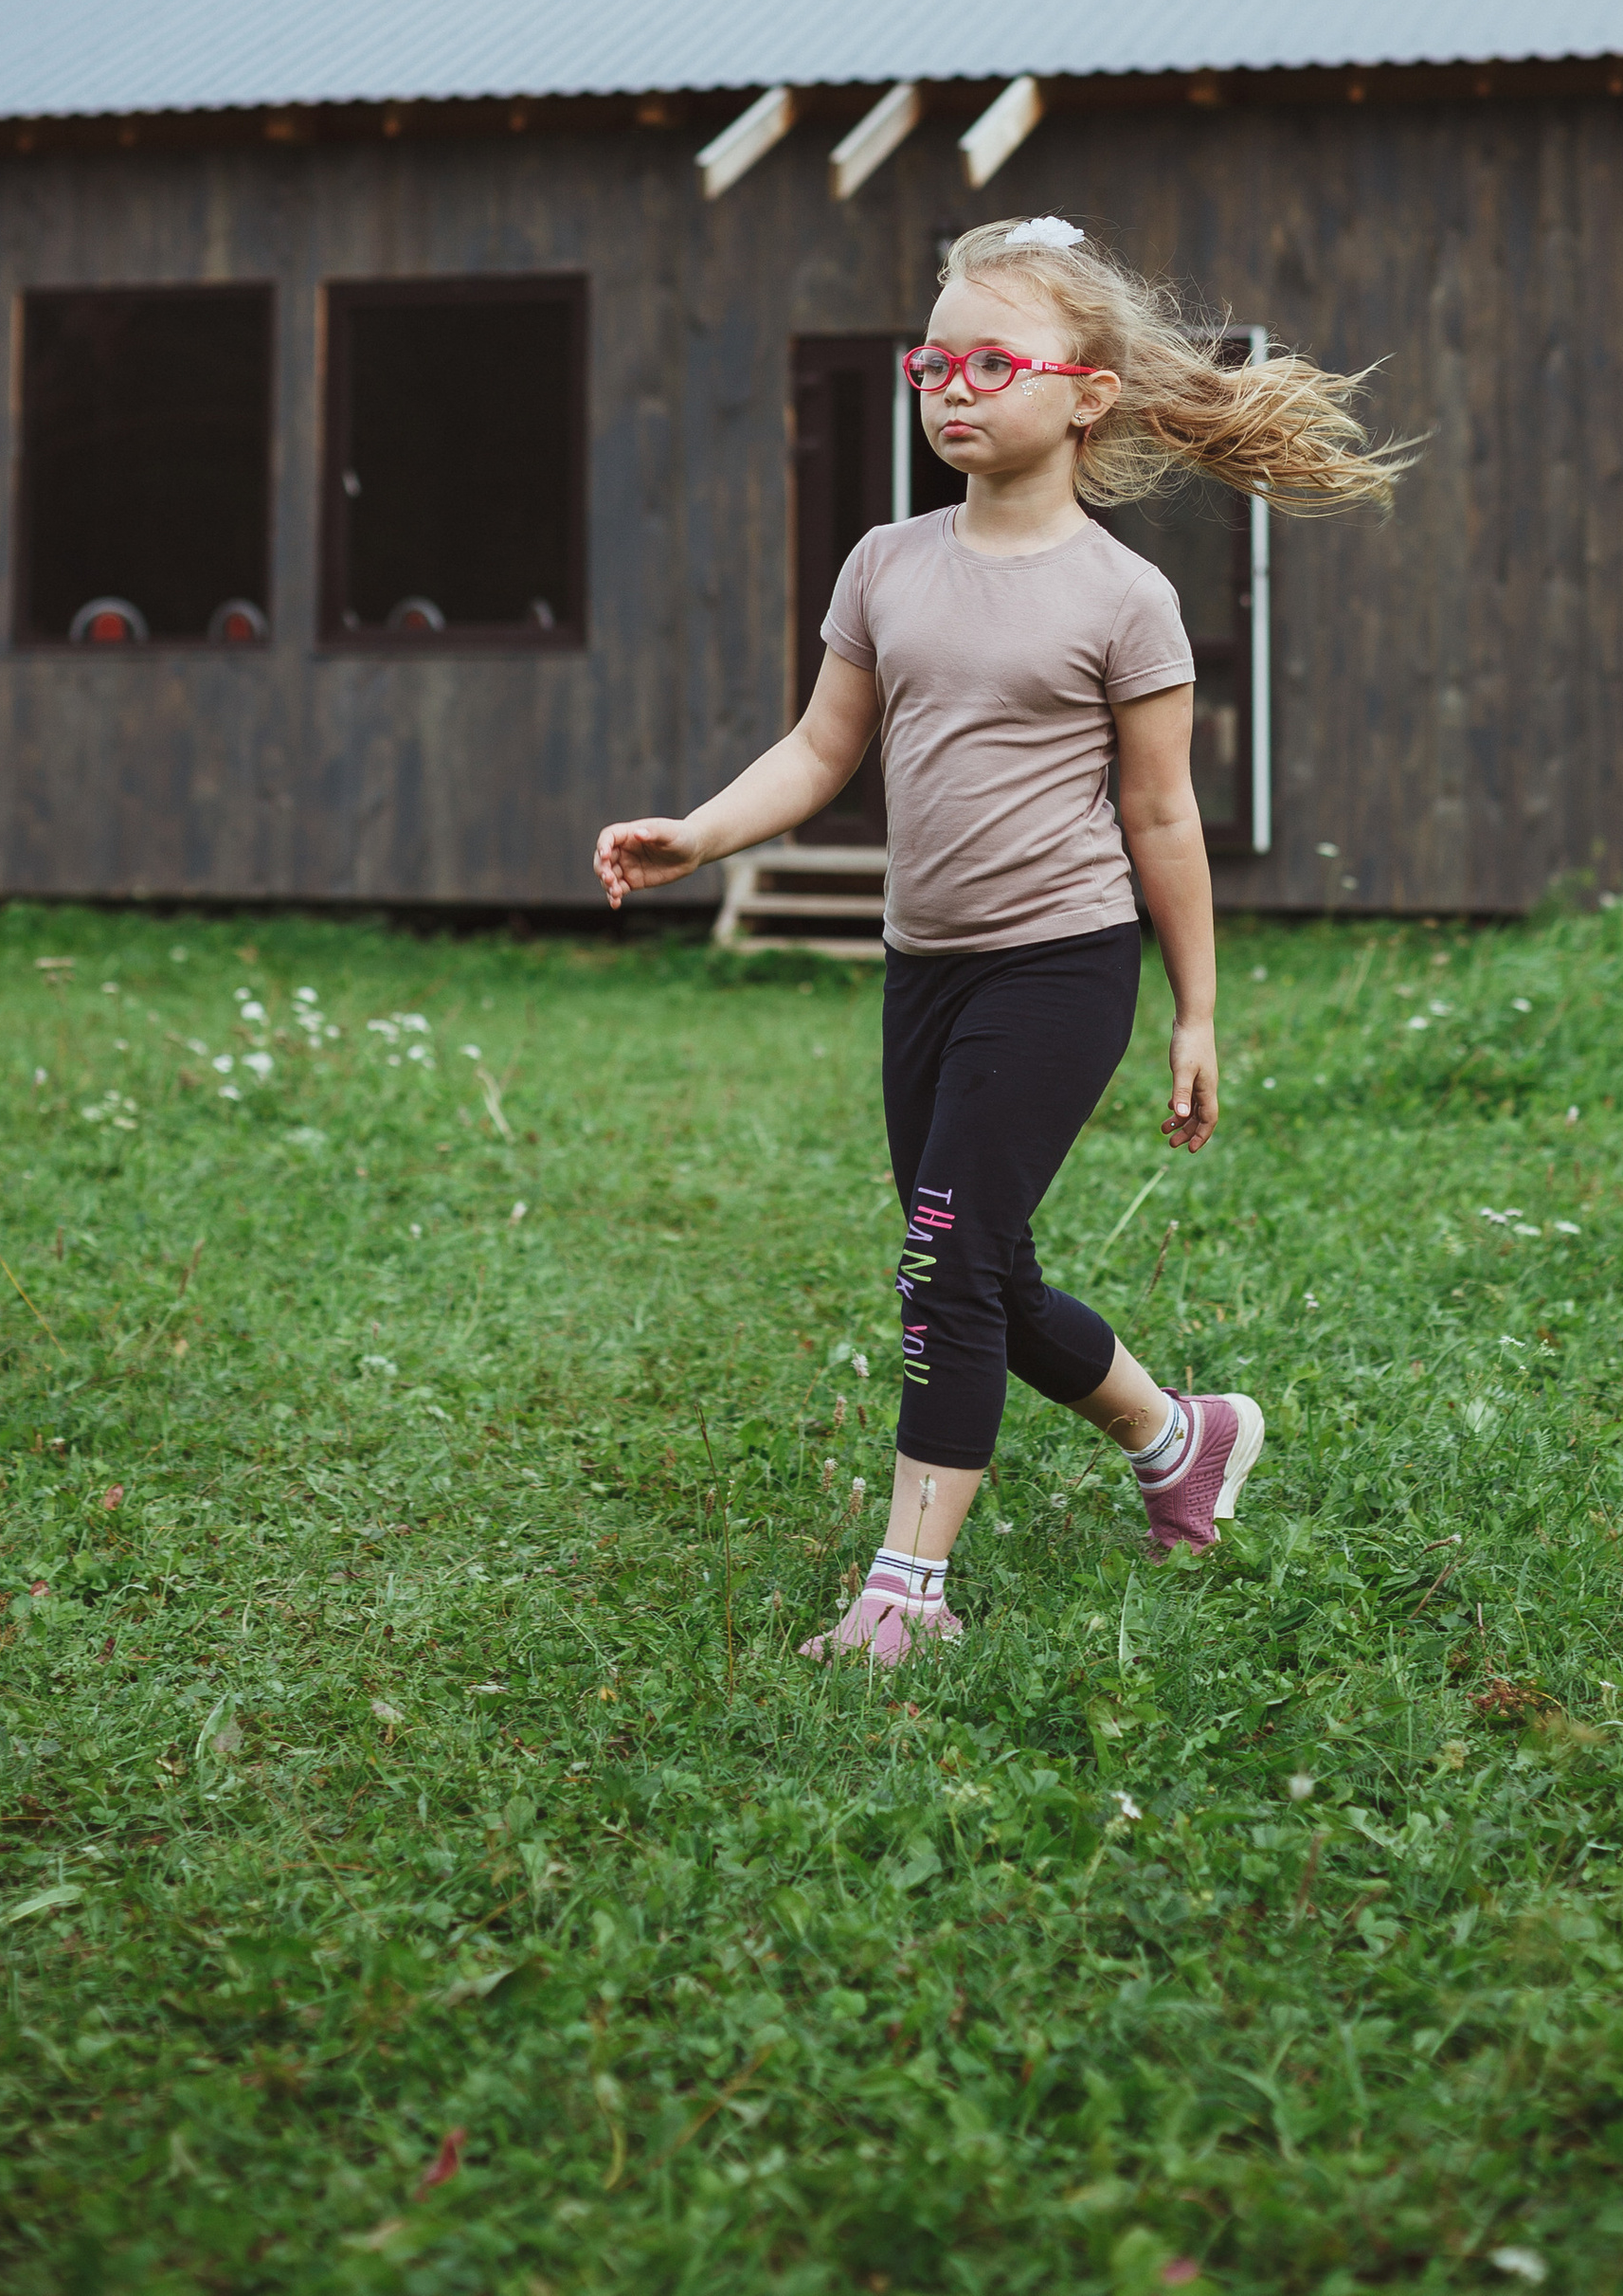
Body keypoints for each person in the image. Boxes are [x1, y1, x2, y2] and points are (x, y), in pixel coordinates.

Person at [593, 214, 1399, 1664]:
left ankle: (907, 1589)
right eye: (930, 363)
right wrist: (698, 833)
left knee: (944, 1265)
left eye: (989, 362)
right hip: (929, 967)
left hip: (1063, 967)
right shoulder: (886, 564)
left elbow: (1163, 820)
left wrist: (1197, 1014)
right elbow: (820, 748)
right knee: (974, 1262)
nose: (952, 390)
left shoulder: (1123, 598)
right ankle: (1180, 1435)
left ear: (1086, 395)